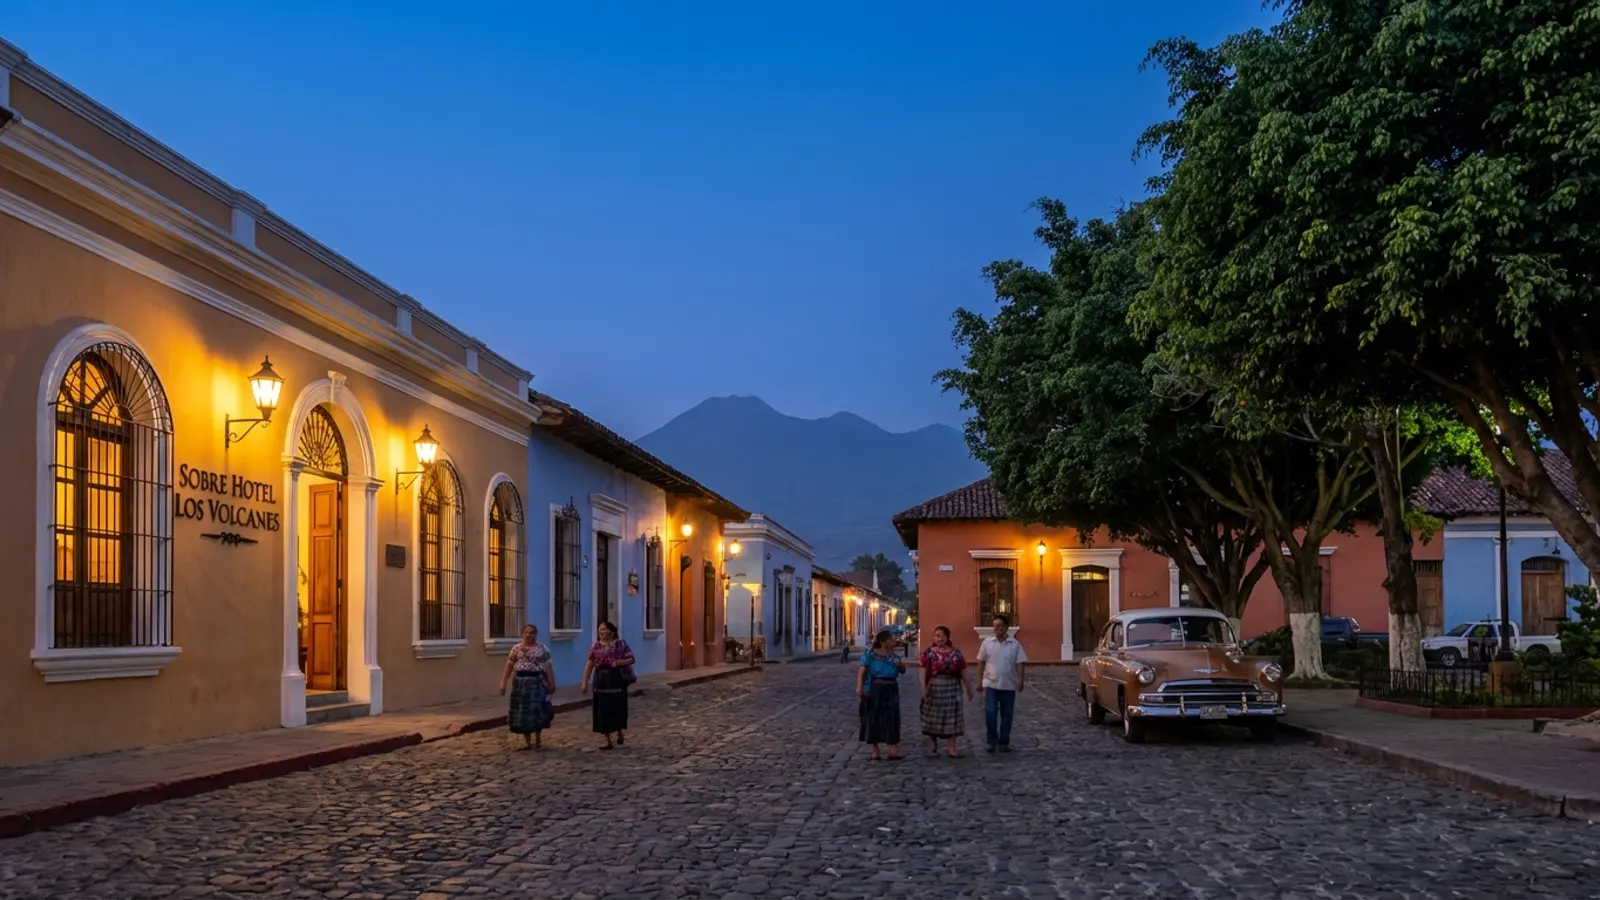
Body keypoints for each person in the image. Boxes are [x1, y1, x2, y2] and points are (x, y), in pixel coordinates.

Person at [498, 624, 555, 751]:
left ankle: (538, 737)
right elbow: (509, 665)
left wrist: (551, 682)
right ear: (522, 634)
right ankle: (528, 742)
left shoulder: (542, 649)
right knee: (522, 712)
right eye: (527, 632)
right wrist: (503, 682)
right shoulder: (516, 648)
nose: (529, 635)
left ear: (536, 634)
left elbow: (548, 666)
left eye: (532, 632)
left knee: (537, 710)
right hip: (520, 684)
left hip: (536, 682)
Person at [975, 615, 1027, 754]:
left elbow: (1020, 663)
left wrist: (1020, 679)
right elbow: (981, 663)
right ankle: (991, 741)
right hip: (990, 684)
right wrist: (979, 681)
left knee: (1007, 714)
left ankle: (1004, 741)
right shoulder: (987, 643)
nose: (998, 628)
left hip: (1008, 685)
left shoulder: (1014, 644)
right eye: (996, 626)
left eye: (1001, 625)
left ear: (1006, 627)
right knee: (990, 713)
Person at [919, 626, 973, 758]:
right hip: (935, 687)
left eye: (942, 635)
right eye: (936, 635)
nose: (939, 638)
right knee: (933, 715)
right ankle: (933, 742)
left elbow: (963, 670)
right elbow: (922, 670)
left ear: (948, 637)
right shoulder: (929, 653)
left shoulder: (956, 654)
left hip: (952, 688)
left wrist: (968, 688)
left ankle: (951, 746)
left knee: (952, 717)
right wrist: (923, 687)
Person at [580, 620, 635, 750]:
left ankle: (619, 731)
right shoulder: (595, 647)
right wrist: (584, 682)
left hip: (616, 678)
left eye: (604, 629)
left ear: (612, 631)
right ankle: (607, 740)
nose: (602, 632)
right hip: (601, 679)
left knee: (617, 706)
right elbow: (589, 664)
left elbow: (631, 659)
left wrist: (619, 662)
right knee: (601, 709)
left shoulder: (620, 644)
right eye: (600, 630)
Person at [855, 629, 906, 761]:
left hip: (891, 688)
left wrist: (900, 665)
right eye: (892, 640)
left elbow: (902, 669)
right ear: (884, 642)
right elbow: (862, 671)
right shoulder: (870, 655)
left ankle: (892, 749)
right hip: (875, 688)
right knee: (873, 717)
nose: (894, 642)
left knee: (892, 717)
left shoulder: (893, 656)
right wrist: (860, 687)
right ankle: (875, 750)